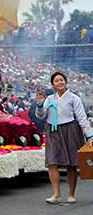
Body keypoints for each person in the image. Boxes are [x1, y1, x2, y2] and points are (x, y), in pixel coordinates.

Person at [36, 71, 93, 204]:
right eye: (57, 81)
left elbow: (82, 118)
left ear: (65, 82)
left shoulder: (74, 98)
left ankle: (71, 194)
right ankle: (56, 194)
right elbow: (40, 116)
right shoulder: (49, 99)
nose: (60, 82)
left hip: (70, 131)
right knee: (52, 162)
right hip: (52, 132)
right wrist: (39, 104)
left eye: (62, 80)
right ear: (53, 85)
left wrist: (90, 136)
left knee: (71, 164)